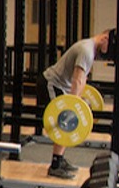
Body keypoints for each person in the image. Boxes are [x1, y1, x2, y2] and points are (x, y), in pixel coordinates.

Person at [42, 29, 111, 178]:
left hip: (60, 86)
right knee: (66, 120)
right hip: (52, 83)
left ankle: (59, 159)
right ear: (104, 38)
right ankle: (55, 165)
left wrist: (79, 101)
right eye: (109, 47)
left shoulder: (90, 50)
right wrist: (74, 106)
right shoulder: (86, 50)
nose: (107, 54)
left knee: (68, 120)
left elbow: (83, 79)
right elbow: (77, 79)